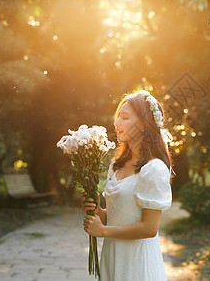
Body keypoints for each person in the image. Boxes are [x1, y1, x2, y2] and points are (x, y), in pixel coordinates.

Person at [81, 89, 175, 281]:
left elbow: (149, 228)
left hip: (137, 261)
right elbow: (115, 218)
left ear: (143, 124)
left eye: (124, 117)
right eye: (118, 117)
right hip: (113, 255)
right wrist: (97, 211)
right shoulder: (116, 166)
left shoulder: (154, 169)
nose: (117, 123)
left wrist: (103, 231)